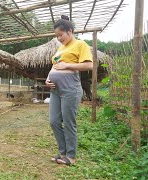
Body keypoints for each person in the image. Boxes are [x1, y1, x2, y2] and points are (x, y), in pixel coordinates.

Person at [45, 15, 93, 165]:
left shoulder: (80, 44)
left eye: (61, 35)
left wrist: (67, 66)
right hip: (55, 89)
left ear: (70, 31)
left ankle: (71, 156)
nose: (58, 38)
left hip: (70, 88)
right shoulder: (60, 48)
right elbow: (54, 66)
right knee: (54, 121)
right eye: (57, 36)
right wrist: (48, 79)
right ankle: (62, 153)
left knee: (68, 122)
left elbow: (88, 65)